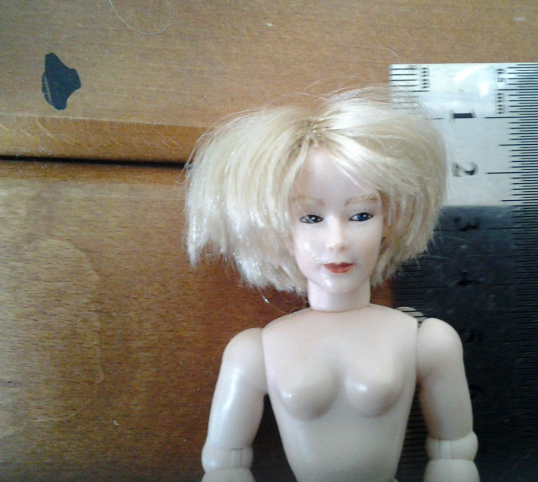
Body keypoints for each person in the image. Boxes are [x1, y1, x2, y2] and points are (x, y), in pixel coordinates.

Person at [186, 88, 478, 482]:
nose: (337, 241)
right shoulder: (254, 352)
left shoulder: (427, 342)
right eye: (310, 218)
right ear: (276, 228)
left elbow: (454, 452)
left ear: (389, 221)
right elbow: (224, 464)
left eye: (361, 215)